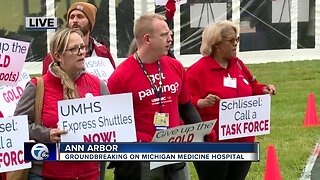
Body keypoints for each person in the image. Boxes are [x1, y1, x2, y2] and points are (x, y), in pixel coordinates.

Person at [107, 13, 203, 180]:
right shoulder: (120, 76)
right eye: (164, 35)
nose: (170, 39)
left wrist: (204, 132)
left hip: (175, 149)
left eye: (170, 34)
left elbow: (186, 106)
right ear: (147, 39)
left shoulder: (175, 66)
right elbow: (115, 123)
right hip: (143, 156)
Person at [186, 20, 276, 180]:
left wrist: (264, 89)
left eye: (237, 39)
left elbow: (252, 86)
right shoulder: (197, 71)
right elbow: (183, 103)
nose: (236, 44)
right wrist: (201, 102)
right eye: (231, 40)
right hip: (214, 144)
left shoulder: (238, 64)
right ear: (216, 45)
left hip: (243, 140)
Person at [14, 28, 109, 179]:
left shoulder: (98, 85)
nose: (81, 52)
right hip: (46, 174)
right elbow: (18, 127)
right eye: (74, 49)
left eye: (82, 47)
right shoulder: (38, 86)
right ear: (58, 56)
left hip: (89, 174)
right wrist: (47, 134)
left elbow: (111, 126)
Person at [42, 2, 116, 75]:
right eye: (72, 17)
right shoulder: (56, 54)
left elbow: (113, 79)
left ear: (90, 23)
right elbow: (46, 83)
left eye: (80, 17)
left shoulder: (102, 52)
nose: (75, 20)